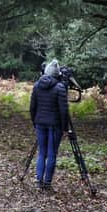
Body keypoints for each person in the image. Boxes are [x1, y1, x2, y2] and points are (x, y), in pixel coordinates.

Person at [29, 59, 69, 192]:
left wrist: (35, 122)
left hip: (40, 123)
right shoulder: (60, 87)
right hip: (55, 125)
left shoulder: (37, 85)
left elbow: (32, 107)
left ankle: (38, 181)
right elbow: (64, 110)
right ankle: (47, 183)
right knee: (52, 154)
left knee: (42, 153)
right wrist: (64, 128)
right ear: (57, 74)